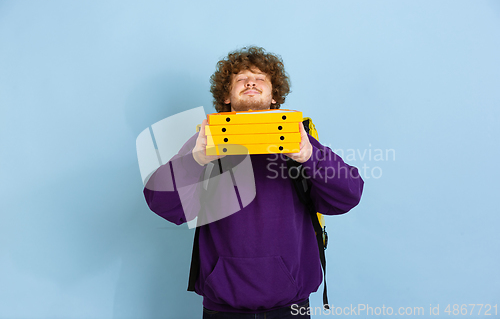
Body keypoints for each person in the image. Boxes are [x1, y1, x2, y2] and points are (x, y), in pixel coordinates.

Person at [143, 46, 364, 318]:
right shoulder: (204, 141)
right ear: (226, 95)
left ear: (274, 97)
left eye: (261, 79)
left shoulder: (299, 139)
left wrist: (310, 157)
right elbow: (162, 203)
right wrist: (195, 160)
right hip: (223, 305)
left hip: (290, 304)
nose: (250, 82)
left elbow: (348, 195)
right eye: (240, 79)